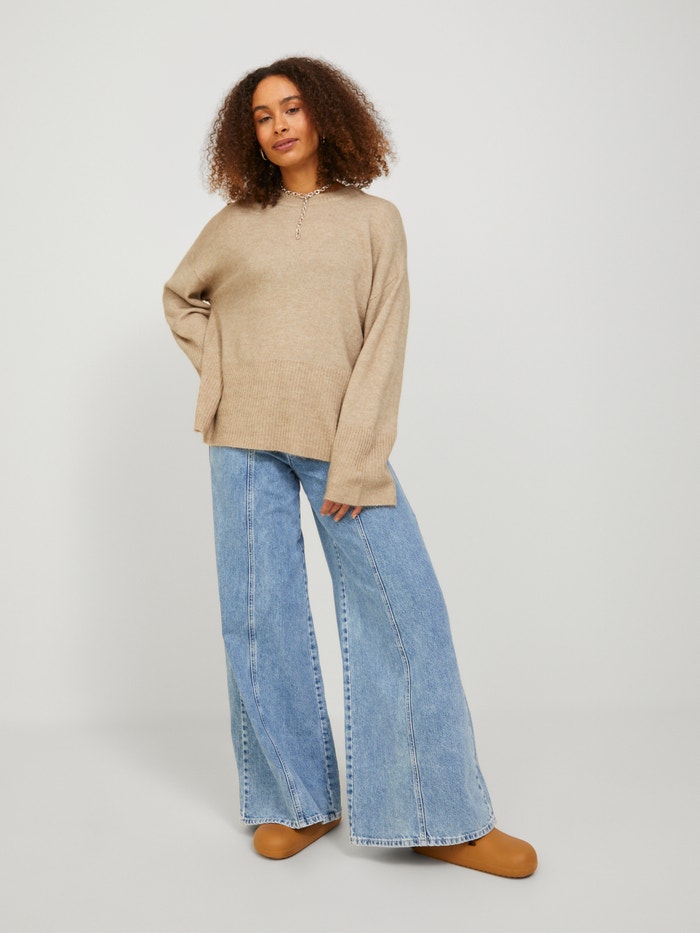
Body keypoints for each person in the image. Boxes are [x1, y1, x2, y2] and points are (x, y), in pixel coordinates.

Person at [163, 56, 537, 877]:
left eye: (291, 107)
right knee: (258, 618)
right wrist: (225, 376)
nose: (278, 125)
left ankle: (437, 813)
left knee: (405, 615)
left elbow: (384, 341)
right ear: (248, 136)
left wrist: (358, 459)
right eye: (262, 116)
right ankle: (298, 799)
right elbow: (181, 298)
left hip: (338, 442)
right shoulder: (234, 224)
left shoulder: (374, 220)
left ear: (326, 114)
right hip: (240, 439)